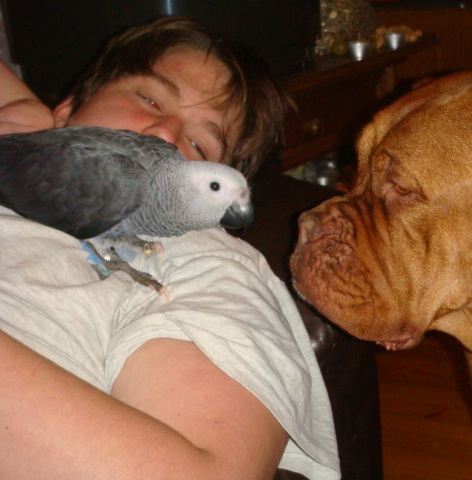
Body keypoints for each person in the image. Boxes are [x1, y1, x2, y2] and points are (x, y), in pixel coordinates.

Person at [0, 16, 339, 480]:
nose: (163, 136)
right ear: (67, 108)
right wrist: (28, 117)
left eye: (199, 145)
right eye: (149, 99)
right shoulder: (31, 142)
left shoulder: (206, 262)